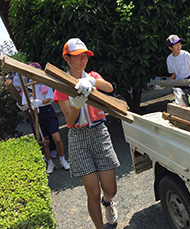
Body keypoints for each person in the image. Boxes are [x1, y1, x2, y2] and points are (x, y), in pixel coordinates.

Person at [53, 38, 120, 228]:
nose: (82, 60)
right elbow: (69, 120)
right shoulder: (62, 84)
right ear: (67, 59)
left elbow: (109, 88)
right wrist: (76, 104)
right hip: (78, 138)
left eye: (85, 56)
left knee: (110, 189)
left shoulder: (92, 75)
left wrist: (92, 81)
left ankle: (107, 202)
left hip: (99, 132)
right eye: (77, 57)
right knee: (92, 191)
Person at [22, 62, 70, 174]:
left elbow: (50, 98)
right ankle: (50, 163)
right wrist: (25, 105)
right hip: (36, 114)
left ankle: (63, 160)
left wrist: (39, 102)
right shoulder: (28, 87)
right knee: (45, 141)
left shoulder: (45, 83)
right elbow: (25, 102)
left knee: (56, 137)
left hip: (48, 111)